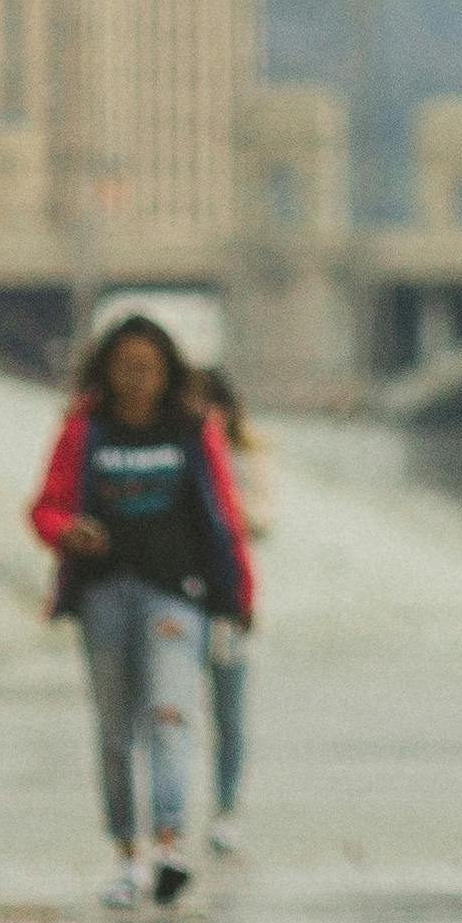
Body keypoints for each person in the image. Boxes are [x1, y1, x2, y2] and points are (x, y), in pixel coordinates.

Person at [26, 314, 253, 913]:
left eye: (147, 368)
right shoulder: (85, 430)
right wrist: (66, 531)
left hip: (177, 594)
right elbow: (44, 508)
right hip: (103, 595)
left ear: (166, 371)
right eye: (124, 367)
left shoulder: (191, 430)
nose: (135, 379)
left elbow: (224, 516)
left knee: (172, 715)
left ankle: (172, 845)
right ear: (105, 369)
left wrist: (239, 598)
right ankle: (128, 855)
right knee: (114, 731)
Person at [192, 365, 270, 858]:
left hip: (227, 600)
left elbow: (263, 519)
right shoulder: (179, 454)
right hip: (177, 594)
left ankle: (226, 809)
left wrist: (219, 506)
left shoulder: (246, 457)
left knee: (228, 711)